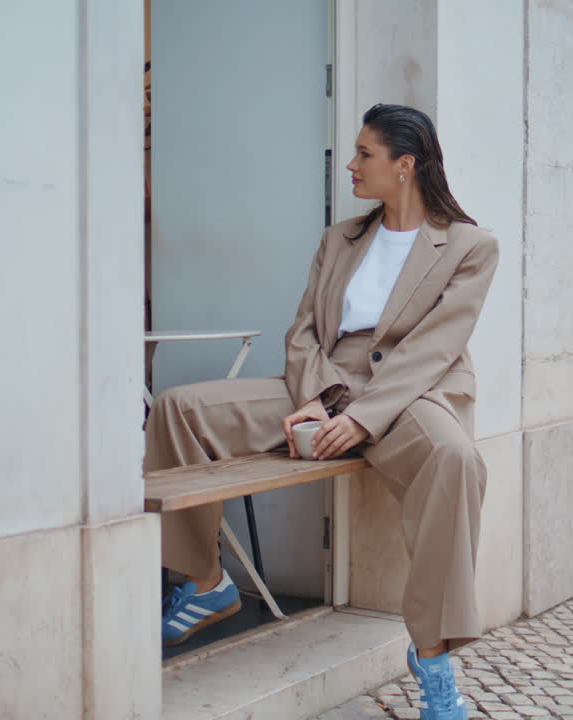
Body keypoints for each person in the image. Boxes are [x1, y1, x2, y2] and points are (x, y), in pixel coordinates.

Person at [146, 103, 498, 720]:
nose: (353, 167)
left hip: (410, 389)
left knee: (456, 459)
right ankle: (206, 583)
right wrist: (316, 397)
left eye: (365, 155)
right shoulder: (341, 239)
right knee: (180, 408)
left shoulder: (470, 245)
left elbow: (435, 347)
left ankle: (435, 657)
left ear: (405, 165)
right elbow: (305, 329)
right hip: (325, 377)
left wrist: (363, 418)